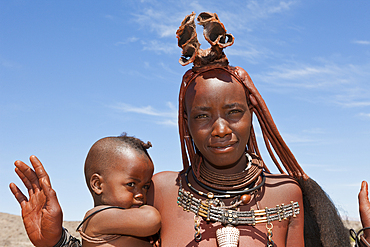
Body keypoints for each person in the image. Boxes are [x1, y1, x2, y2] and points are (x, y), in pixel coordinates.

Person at [10, 12, 350, 247]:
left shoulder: (287, 193)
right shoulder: (161, 190)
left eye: (234, 112)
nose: (220, 129)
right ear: (186, 125)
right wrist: (56, 242)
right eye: (202, 116)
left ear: (253, 115)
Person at [10, 134, 161, 247]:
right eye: (131, 184)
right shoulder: (97, 217)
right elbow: (151, 219)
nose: (140, 194)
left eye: (146, 186)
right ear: (97, 184)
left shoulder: (124, 222)